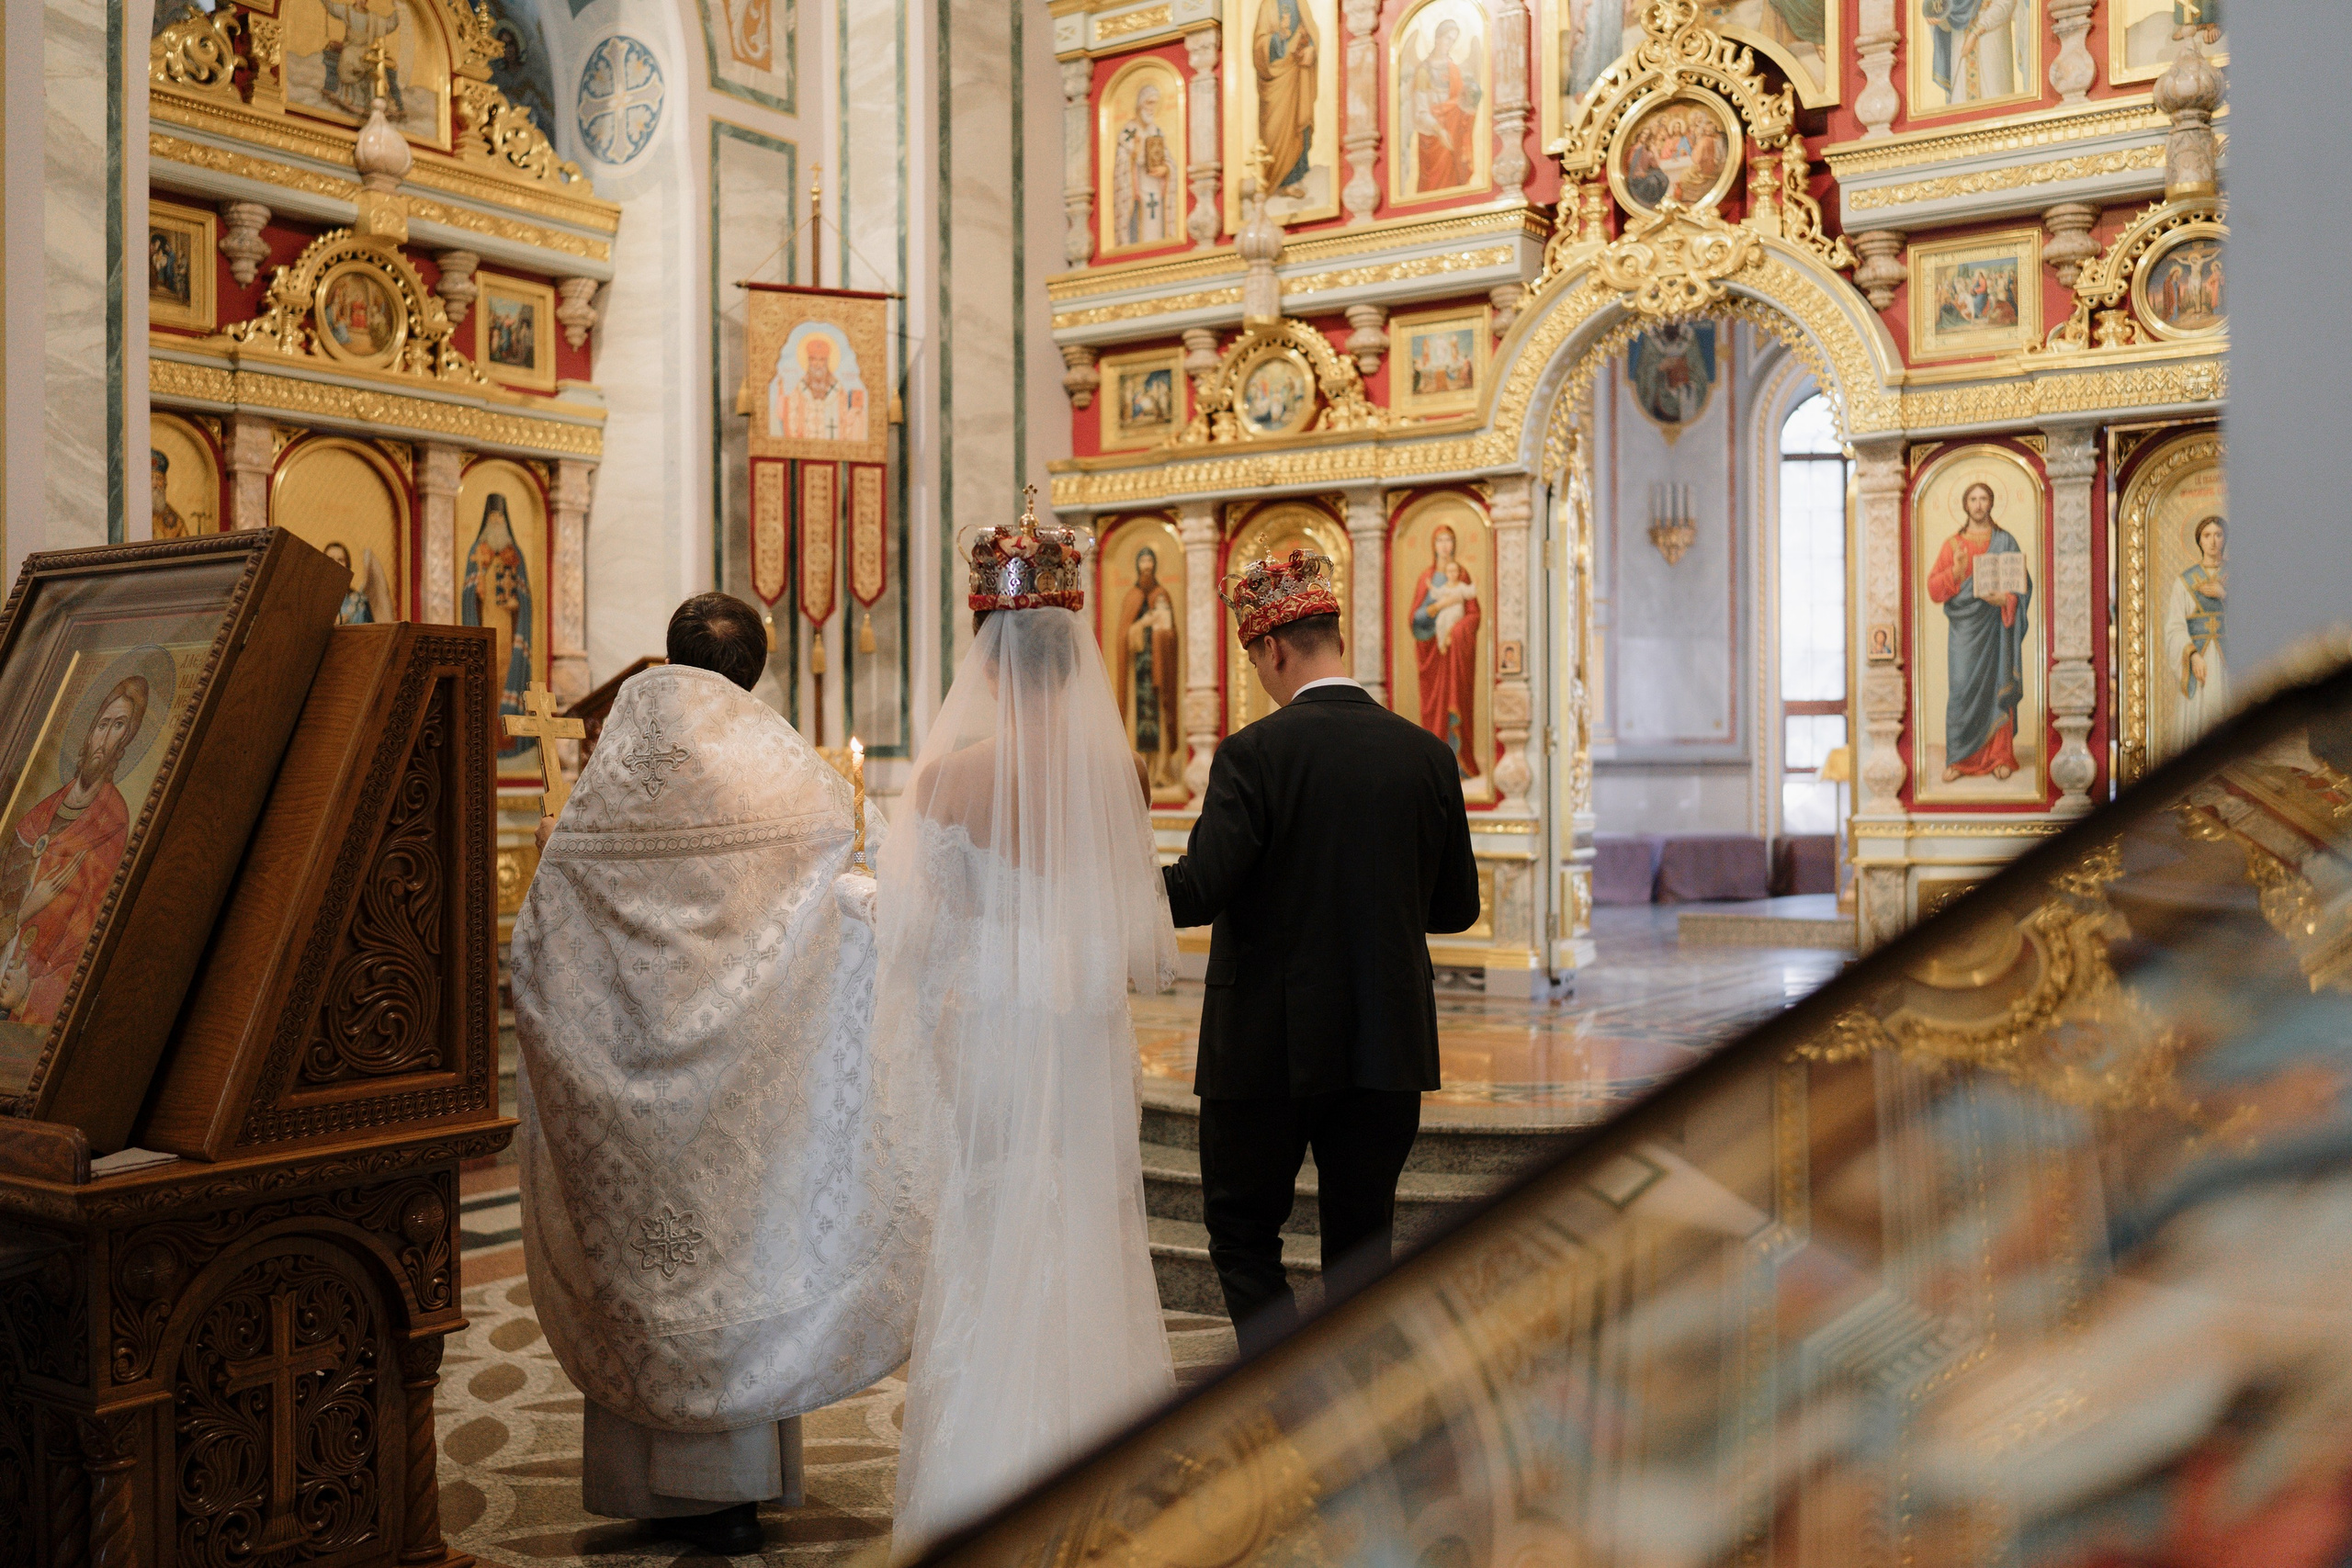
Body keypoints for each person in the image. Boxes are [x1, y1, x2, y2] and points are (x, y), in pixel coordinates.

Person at [511, 592, 926, 1559]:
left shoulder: (608, 779)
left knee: (648, 1268)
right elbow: (823, 909)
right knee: (736, 1266)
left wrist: (601, 1033)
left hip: (618, 1078)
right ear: (757, 670)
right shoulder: (781, 781)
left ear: (670, 656)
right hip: (740, 1087)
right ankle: (732, 1492)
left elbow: (538, 937)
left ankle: (646, 1490)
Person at [885, 494, 1178, 1561]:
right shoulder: (1120, 772)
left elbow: (916, 942)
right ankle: (1097, 1449)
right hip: (1085, 1026)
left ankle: (991, 1470)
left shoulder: (950, 782)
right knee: (1086, 1218)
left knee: (994, 1228)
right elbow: (1132, 922)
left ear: (991, 659)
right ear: (1068, 657)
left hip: (993, 1033)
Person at [1162, 549, 1480, 1358]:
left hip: (1263, 1046)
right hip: (1386, 1040)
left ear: (1273, 649)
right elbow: (1457, 908)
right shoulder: (1427, 755)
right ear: (1331, 636)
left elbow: (1198, 890)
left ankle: (1290, 1388)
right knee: (1362, 1240)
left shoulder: (1253, 754)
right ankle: (1358, 1402)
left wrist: (1107, 879)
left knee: (1241, 1233)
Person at [0, 674, 155, 1030]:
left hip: (18, 1012)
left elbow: (88, 939)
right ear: (89, 733)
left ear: (126, 741)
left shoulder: (110, 824)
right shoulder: (36, 816)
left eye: (119, 726)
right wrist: (27, 908)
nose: (106, 736)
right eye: (103, 724)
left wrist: (30, 993)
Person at [1926, 480, 2033, 782]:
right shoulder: (1953, 545)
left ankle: (2000, 756)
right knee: (1961, 689)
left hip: (1997, 626)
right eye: (1973, 498)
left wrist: (2007, 599)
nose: (1978, 504)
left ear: (1991, 502)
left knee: (1997, 685)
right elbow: (1934, 589)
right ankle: (1959, 759)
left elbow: (2022, 584)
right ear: (1965, 504)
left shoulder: (2006, 541)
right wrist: (1957, 572)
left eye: (1983, 498)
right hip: (1965, 629)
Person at [2164, 514, 2229, 750]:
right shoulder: (2184, 582)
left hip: (2230, 662)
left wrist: (2224, 594)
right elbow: (2174, 627)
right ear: (2199, 541)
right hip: (2200, 662)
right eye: (2207, 535)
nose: (2213, 541)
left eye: (2218, 535)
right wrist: (2192, 656)